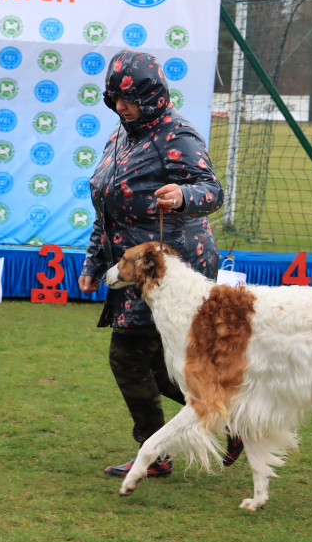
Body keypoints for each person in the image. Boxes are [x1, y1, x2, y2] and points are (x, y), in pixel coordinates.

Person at [79, 49, 243, 478]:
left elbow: (211, 189)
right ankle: (227, 417)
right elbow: (107, 207)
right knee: (154, 363)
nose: (120, 106)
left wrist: (183, 196)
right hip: (133, 266)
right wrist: (94, 262)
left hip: (172, 268)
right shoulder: (121, 135)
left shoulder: (177, 135)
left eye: (128, 98)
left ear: (153, 96)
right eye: (114, 98)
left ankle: (155, 450)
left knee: (129, 357)